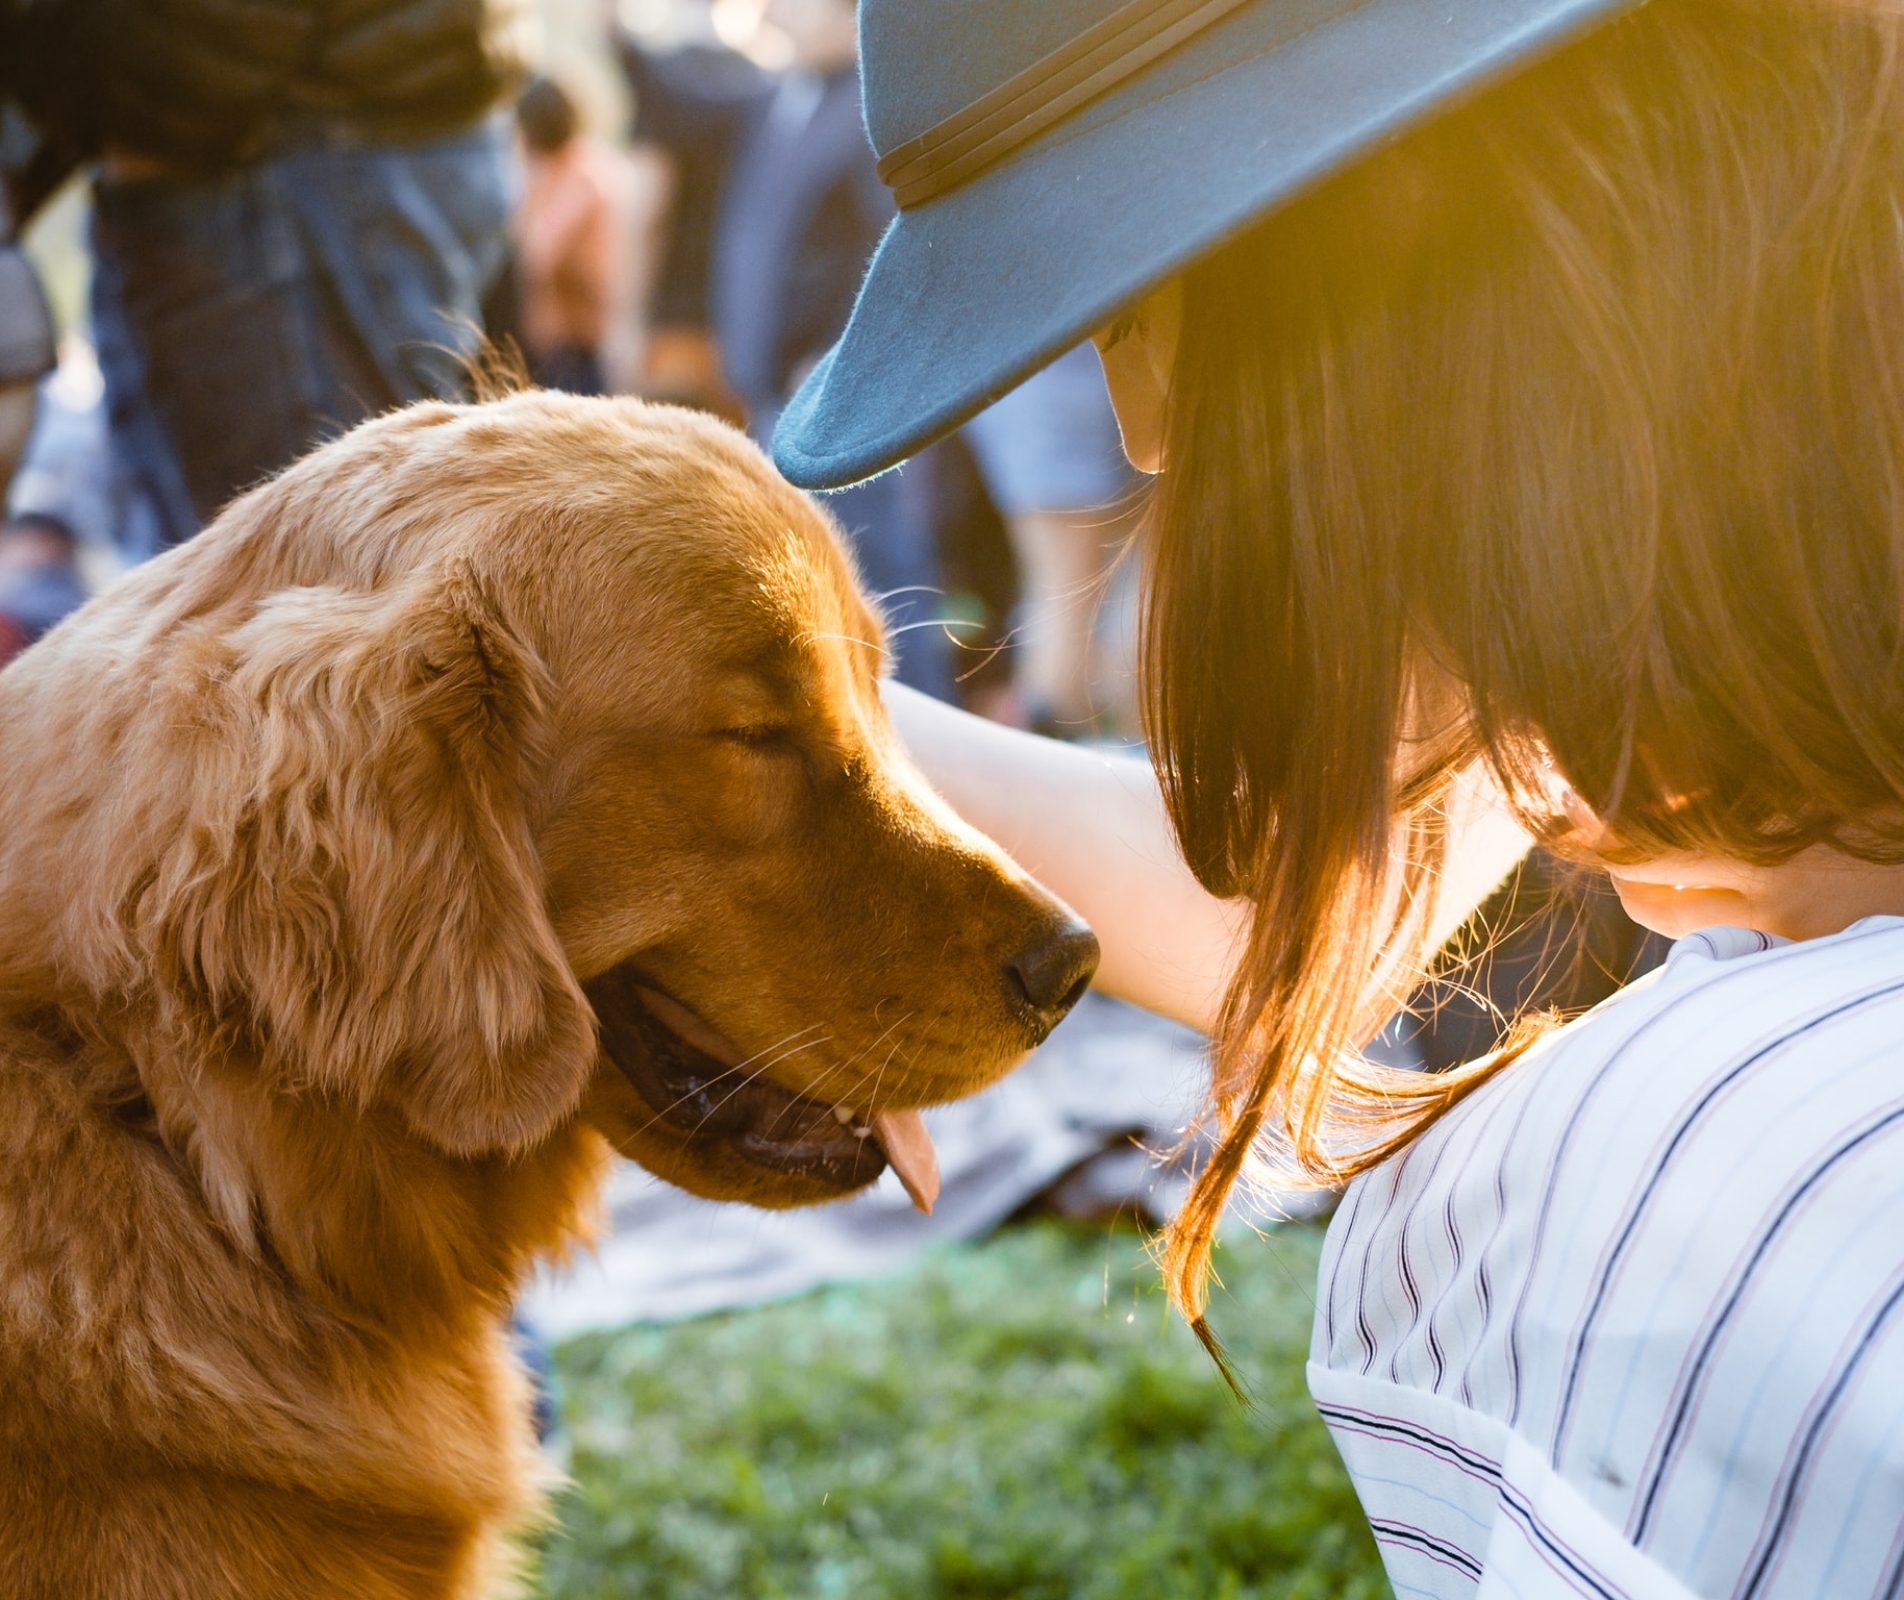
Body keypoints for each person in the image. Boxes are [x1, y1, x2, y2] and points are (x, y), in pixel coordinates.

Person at [771, 0, 1904, 1590]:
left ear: (1389, 207)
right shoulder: (1636, 447)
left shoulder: (1719, 1182)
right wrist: (787, 727)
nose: (1143, 433)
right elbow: (1297, 910)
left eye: (1132, 311)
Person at [8, 0, 528, 546]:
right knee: (310, 571)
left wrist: (131, 84)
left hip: (269, 143)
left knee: (311, 574)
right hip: (297, 129)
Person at [512, 77, 618, 396]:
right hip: (550, 350)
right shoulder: (552, 174)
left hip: (574, 352)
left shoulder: (583, 178)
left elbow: (537, 250)